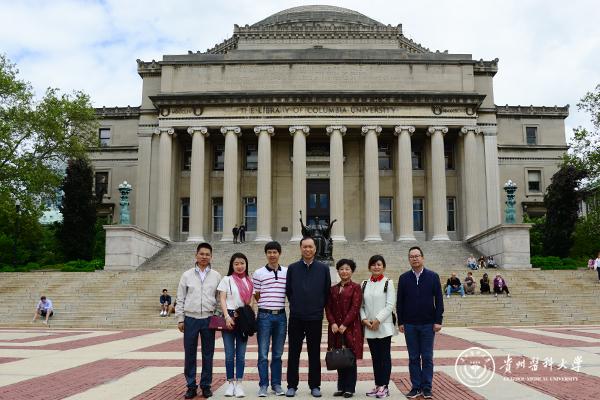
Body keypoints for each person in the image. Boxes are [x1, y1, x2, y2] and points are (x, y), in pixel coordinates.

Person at [285, 236, 331, 398]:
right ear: (300, 248)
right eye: (304, 247)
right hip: (296, 317)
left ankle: (315, 385)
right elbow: (289, 291)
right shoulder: (292, 268)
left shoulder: (323, 269)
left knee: (314, 353)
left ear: (315, 249)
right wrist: (297, 305)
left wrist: (318, 308)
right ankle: (292, 385)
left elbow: (326, 293)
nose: (307, 249)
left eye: (310, 247)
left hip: (315, 317)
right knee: (293, 353)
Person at [397, 246, 444, 399]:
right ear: (409, 259)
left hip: (428, 324)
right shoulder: (404, 278)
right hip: (410, 324)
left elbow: (439, 300)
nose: (415, 258)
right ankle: (416, 387)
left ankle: (427, 387)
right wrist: (401, 322)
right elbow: (400, 302)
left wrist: (438, 320)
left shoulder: (433, 276)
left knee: (427, 357)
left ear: (422, 258)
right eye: (412, 256)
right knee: (413, 357)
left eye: (417, 256)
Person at [176, 242, 222, 399]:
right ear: (196, 255)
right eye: (201, 254)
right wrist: (180, 318)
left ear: (211, 256)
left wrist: (216, 315)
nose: (204, 257)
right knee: (190, 354)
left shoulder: (216, 275)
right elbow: (180, 298)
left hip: (208, 319)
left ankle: (206, 385)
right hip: (190, 318)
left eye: (207, 254)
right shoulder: (187, 275)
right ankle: (191, 386)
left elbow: (219, 298)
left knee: (208, 354)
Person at [253, 241, 288, 397]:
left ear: (279, 254)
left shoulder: (287, 272)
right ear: (266, 254)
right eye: (269, 252)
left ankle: (276, 384)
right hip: (264, 316)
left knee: (278, 354)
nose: (272, 255)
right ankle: (263, 385)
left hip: (281, 315)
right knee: (262, 353)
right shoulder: (258, 273)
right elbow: (256, 294)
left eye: (275, 252)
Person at [326, 259, 363, 398]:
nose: (344, 271)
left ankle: (350, 388)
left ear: (351, 271)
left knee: (349, 358)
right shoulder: (333, 289)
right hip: (335, 329)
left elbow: (355, 308)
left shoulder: (356, 287)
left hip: (351, 328)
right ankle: (341, 387)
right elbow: (328, 307)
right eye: (341, 269)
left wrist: (344, 324)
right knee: (339, 357)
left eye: (347, 269)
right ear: (338, 271)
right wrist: (333, 323)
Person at [218, 252, 254, 398]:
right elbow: (222, 299)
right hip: (229, 318)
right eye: (236, 263)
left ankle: (239, 384)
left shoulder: (249, 281)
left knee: (241, 355)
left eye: (242, 263)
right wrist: (227, 316)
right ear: (232, 265)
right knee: (229, 354)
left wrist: (248, 315)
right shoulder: (226, 279)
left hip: (243, 320)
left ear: (246, 264)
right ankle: (230, 383)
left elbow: (251, 301)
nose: (240, 266)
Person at [361, 255, 396, 399]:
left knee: (384, 357)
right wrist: (364, 319)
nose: (376, 267)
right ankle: (378, 385)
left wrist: (377, 320)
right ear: (369, 267)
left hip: (383, 326)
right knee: (375, 357)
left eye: (379, 264)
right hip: (369, 326)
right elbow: (360, 305)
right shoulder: (364, 284)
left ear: (383, 267)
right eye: (373, 265)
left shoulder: (388, 282)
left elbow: (390, 305)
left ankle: (385, 386)